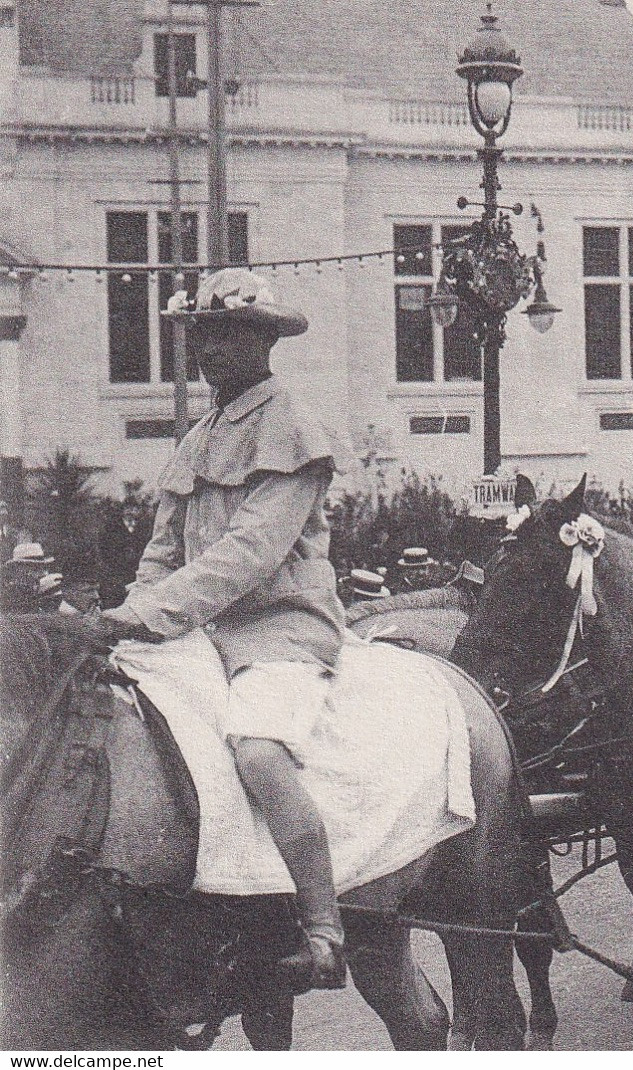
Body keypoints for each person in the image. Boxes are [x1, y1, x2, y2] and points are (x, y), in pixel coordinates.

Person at [91, 267, 352, 990]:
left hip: (280, 630)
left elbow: (249, 554)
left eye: (229, 335)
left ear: (265, 342)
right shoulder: (200, 436)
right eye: (203, 336)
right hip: (198, 633)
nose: (210, 349)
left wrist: (149, 614)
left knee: (258, 753)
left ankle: (324, 930)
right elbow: (163, 550)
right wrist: (126, 617)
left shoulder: (293, 428)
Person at [99, 498, 150, 610]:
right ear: (122, 511)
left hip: (136, 570)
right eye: (127, 508)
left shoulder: (144, 527)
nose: (130, 511)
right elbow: (104, 549)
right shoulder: (111, 527)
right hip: (116, 571)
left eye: (134, 508)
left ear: (139, 510)